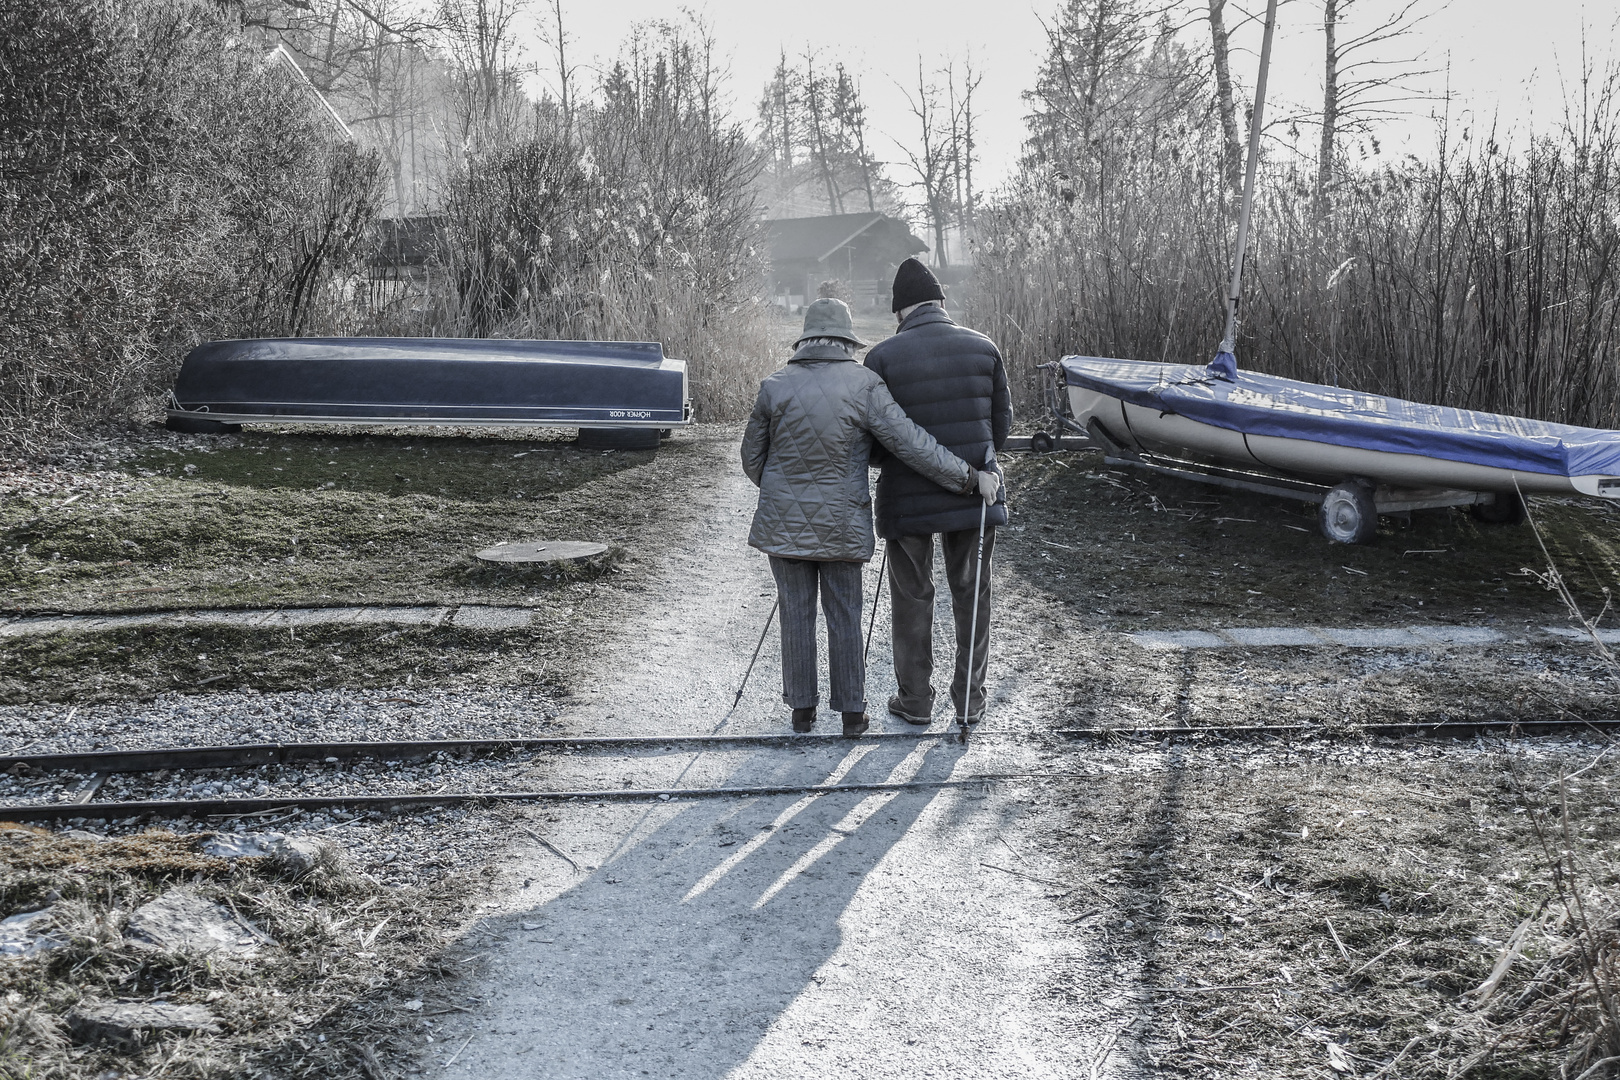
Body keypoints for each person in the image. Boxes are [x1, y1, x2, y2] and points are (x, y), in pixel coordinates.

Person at [742, 297, 999, 737]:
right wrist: (970, 477)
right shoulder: (864, 386)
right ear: (846, 340)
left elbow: (752, 459)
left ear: (805, 338)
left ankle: (801, 712)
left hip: (782, 525)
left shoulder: (774, 385)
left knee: (796, 614)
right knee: (845, 614)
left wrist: (788, 489)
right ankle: (852, 715)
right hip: (843, 523)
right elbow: (913, 445)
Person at [865, 258, 1012, 727]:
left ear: (900, 311)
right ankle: (969, 698)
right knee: (972, 594)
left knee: (912, 595)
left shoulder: (882, 357)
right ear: (940, 303)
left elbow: (873, 444)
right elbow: (1002, 430)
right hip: (975, 499)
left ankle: (915, 700)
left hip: (906, 501)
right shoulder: (984, 348)